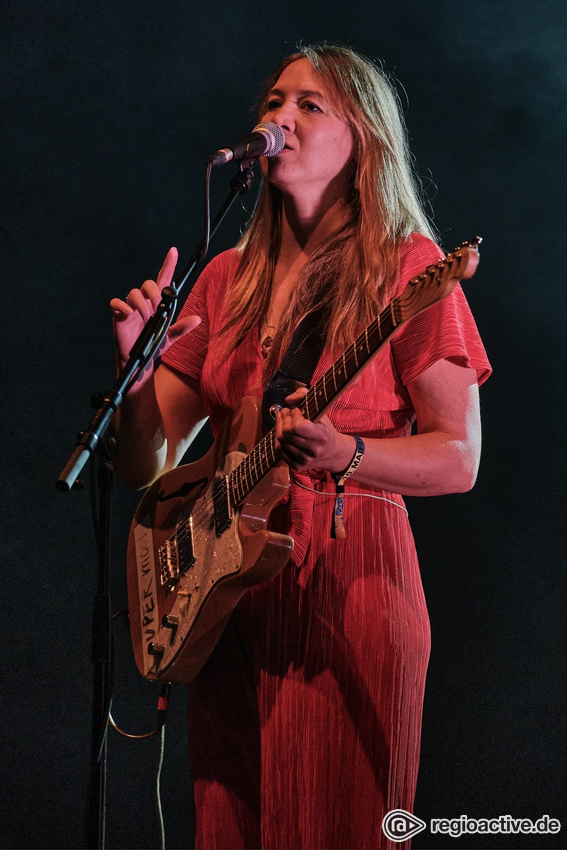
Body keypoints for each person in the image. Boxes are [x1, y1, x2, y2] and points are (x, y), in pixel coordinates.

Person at [111, 44, 491, 850]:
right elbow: (145, 466)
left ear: (364, 139)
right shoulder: (221, 280)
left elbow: (457, 459)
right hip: (225, 590)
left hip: (347, 582)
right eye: (273, 99)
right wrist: (137, 381)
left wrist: (345, 454)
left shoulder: (409, 268)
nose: (276, 118)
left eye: (308, 105)